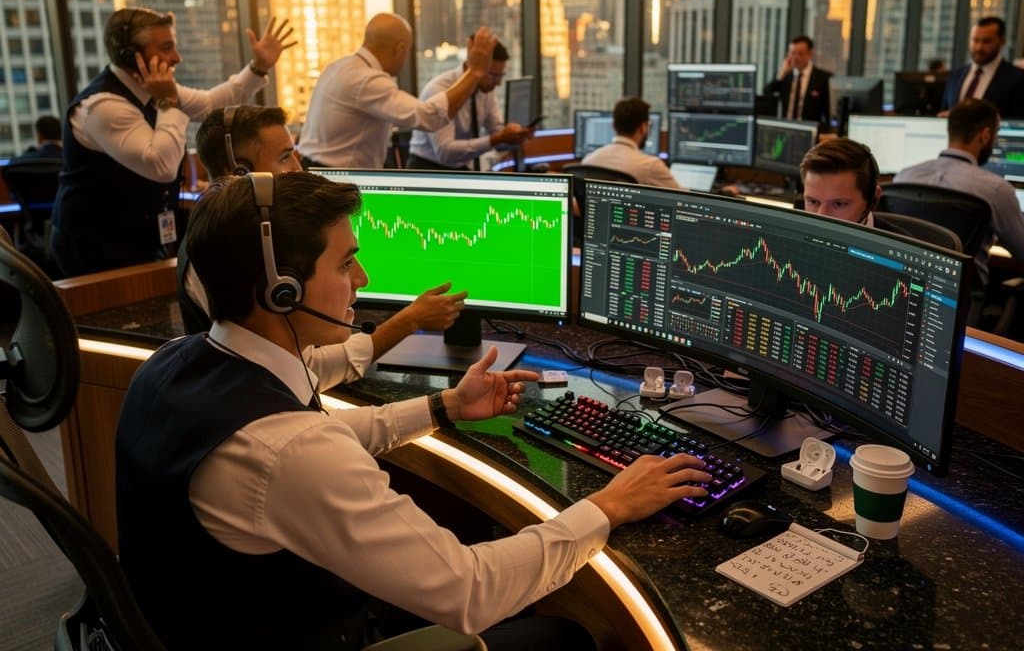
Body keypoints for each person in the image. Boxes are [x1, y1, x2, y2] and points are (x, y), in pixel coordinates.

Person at [115, 171, 711, 650]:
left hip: (205, 627)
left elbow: (323, 431)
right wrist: (608, 505)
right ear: (281, 291)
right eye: (345, 262)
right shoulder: (287, 452)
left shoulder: (174, 363)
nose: (364, 278)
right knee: (564, 637)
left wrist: (445, 407)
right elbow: (470, 593)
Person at [181, 105, 465, 387]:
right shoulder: (234, 248)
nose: (297, 167)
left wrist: (442, 406)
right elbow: (311, 369)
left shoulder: (240, 233)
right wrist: (408, 322)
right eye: (283, 157)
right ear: (283, 291)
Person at [49, 6, 296, 278]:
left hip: (136, 241)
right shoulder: (103, 107)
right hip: (94, 248)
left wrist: (257, 68)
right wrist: (168, 101)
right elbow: (162, 165)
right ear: (130, 56)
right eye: (166, 48)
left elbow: (211, 104)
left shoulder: (153, 90)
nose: (176, 58)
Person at [299, 14, 497, 168]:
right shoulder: (367, 80)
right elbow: (429, 117)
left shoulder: (339, 67)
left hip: (315, 172)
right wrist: (475, 72)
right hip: (333, 182)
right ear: (400, 49)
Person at [894, 97, 1024, 284]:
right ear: (985, 135)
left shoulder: (903, 178)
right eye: (996, 134)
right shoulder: (996, 190)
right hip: (963, 300)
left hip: (909, 290)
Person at [407, 40, 531, 169]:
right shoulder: (439, 89)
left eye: (500, 76)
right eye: (493, 76)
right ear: (476, 65)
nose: (498, 83)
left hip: (461, 168)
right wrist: (497, 138)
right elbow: (445, 152)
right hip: (429, 171)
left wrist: (515, 137)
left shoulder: (485, 90)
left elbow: (498, 134)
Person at [798, 138, 908, 234]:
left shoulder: (902, 251)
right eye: (813, 202)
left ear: (872, 200)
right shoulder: (788, 238)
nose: (821, 217)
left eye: (839, 204)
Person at [580, 97, 679, 188]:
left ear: (613, 126)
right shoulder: (651, 166)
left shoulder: (588, 161)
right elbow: (683, 200)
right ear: (643, 127)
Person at [939, 16, 1024, 118]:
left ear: (1002, 41)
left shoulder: (1018, 79)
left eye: (986, 41)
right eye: (975, 40)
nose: (979, 47)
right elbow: (944, 111)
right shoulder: (955, 75)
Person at [762, 35, 832, 131]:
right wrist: (780, 76)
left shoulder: (823, 77)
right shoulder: (784, 75)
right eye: (792, 53)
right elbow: (766, 92)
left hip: (810, 130)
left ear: (810, 54)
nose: (795, 57)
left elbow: (828, 111)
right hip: (786, 129)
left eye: (800, 54)